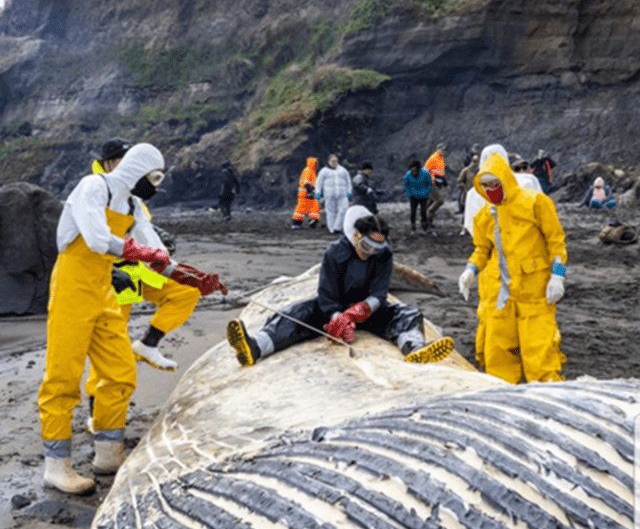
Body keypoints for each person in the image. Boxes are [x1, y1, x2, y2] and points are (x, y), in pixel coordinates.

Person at [38, 143, 172, 495]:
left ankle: (109, 454)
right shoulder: (93, 187)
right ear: (137, 168)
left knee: (120, 370)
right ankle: (56, 465)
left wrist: (176, 270)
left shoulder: (131, 203)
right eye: (153, 176)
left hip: (103, 289)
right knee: (62, 374)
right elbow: (97, 239)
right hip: (72, 285)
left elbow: (149, 239)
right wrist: (145, 254)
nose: (154, 185)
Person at [227, 205, 454, 368]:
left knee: (408, 314)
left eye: (378, 246)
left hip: (369, 310)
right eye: (366, 245)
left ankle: (414, 348)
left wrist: (360, 311)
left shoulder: (383, 254)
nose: (371, 251)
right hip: (334, 309)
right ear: (355, 237)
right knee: (295, 314)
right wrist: (338, 317)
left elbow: (379, 292)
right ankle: (256, 346)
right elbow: (326, 294)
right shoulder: (334, 253)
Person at [88, 138, 223, 373]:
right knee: (111, 343)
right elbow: (85, 238)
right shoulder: (94, 189)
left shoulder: (133, 192)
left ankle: (147, 344)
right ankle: (94, 406)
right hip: (110, 276)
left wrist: (180, 270)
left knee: (185, 292)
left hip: (136, 268)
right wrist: (109, 271)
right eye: (125, 159)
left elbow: (143, 232)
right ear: (108, 163)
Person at [458, 150, 567, 384]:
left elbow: (556, 244)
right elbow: (482, 250)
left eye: (494, 183)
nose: (490, 190)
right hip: (500, 294)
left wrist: (557, 277)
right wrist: (470, 271)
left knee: (539, 350)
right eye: (485, 186)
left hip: (534, 290)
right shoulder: (484, 216)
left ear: (505, 179)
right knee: (498, 352)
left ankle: (547, 391)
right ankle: (503, 392)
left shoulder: (536, 203)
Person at [315, 153, 352, 233]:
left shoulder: (343, 170)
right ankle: (332, 229)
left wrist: (349, 192)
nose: (334, 162)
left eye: (336, 161)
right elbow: (318, 183)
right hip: (329, 195)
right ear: (328, 161)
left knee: (344, 209)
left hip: (342, 195)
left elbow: (348, 182)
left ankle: (337, 227)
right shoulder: (324, 171)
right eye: (332, 161)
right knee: (331, 212)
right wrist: (318, 194)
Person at [403, 158, 432, 233]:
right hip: (413, 196)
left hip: (423, 196)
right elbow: (406, 185)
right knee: (413, 212)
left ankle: (424, 227)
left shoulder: (425, 173)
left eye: (415, 169)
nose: (414, 171)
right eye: (412, 169)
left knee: (423, 212)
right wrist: (409, 194)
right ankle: (413, 227)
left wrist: (426, 193)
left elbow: (429, 184)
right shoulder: (408, 174)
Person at [292, 157, 320, 228]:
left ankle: (313, 221)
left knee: (314, 207)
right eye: (315, 164)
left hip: (309, 193)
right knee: (301, 208)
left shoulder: (312, 172)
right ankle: (296, 223)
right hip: (305, 193)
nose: (317, 165)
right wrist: (310, 191)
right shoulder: (308, 170)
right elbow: (306, 182)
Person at [424, 143, 448, 225]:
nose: (444, 151)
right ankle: (428, 214)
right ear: (438, 149)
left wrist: (446, 184)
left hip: (438, 184)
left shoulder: (441, 159)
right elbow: (425, 170)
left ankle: (428, 221)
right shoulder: (433, 158)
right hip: (432, 184)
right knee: (440, 200)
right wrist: (430, 179)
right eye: (442, 149)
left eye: (444, 150)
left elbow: (442, 173)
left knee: (431, 202)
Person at [456, 153, 479, 222]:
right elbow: (459, 182)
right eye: (474, 160)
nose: (475, 162)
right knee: (467, 210)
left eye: (476, 161)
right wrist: (464, 188)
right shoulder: (466, 170)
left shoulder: (480, 170)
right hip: (467, 193)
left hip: (477, 193)